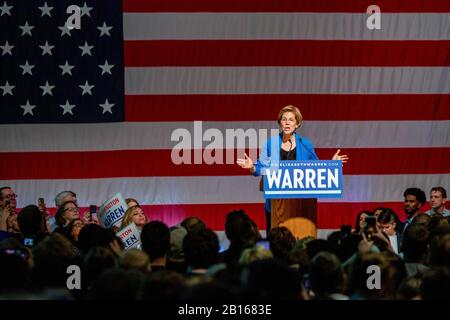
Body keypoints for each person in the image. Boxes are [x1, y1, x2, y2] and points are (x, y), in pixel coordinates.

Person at [237, 105, 348, 229]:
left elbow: (317, 168)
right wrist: (251, 166)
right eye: (284, 119)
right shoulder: (271, 143)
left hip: (301, 205)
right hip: (275, 205)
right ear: (280, 123)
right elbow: (259, 169)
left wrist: (332, 165)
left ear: (297, 124)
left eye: (291, 120)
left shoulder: (304, 144)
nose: (287, 123)